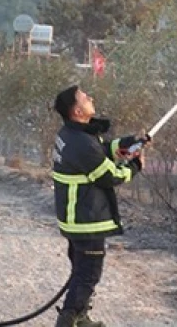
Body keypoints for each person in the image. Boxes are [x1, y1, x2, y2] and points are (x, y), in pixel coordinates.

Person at [51, 85, 146, 327]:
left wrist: (129, 143)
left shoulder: (73, 135)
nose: (90, 97)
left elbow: (103, 150)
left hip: (78, 219)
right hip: (86, 221)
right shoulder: (80, 143)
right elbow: (110, 176)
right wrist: (135, 167)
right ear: (77, 111)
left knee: (81, 272)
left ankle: (80, 319)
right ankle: (69, 319)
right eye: (84, 97)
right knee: (88, 274)